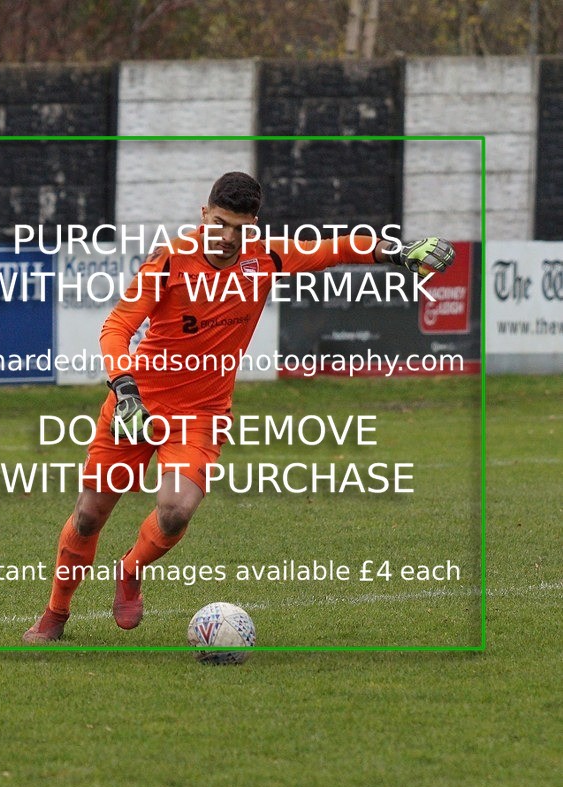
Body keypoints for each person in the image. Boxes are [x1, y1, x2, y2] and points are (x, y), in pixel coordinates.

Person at [23, 171, 454, 643]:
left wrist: (396, 250)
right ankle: (55, 615)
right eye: (221, 224)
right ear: (204, 215)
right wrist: (125, 390)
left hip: (201, 414)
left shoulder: (264, 257)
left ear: (255, 226)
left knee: (175, 512)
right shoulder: (168, 262)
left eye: (241, 228)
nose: (229, 238)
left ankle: (130, 567)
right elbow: (115, 329)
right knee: (89, 515)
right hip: (136, 404)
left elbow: (334, 249)